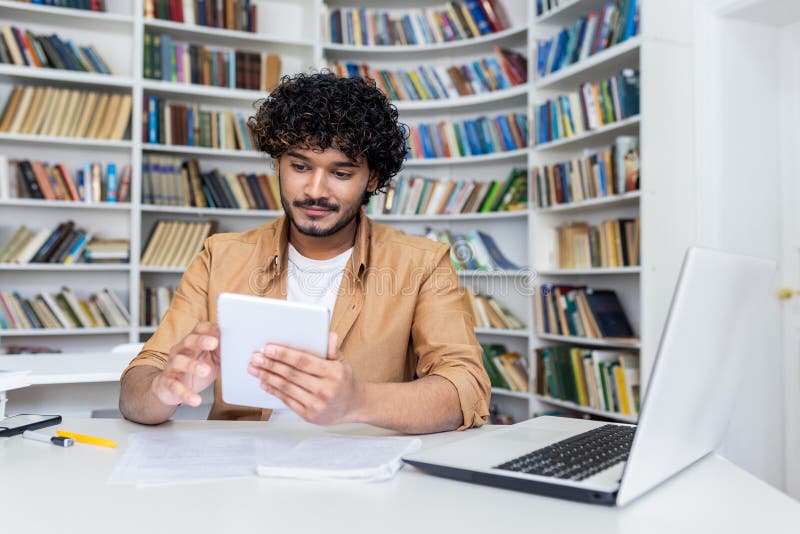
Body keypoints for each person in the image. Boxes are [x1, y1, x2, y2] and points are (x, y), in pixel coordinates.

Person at [119, 72, 491, 434]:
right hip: (239, 478)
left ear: (373, 179)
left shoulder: (422, 263)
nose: (315, 190)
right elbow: (137, 387)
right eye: (299, 166)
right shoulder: (220, 256)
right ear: (277, 163)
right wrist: (162, 389)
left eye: (341, 174)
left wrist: (358, 401)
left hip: (360, 479)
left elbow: (466, 387)